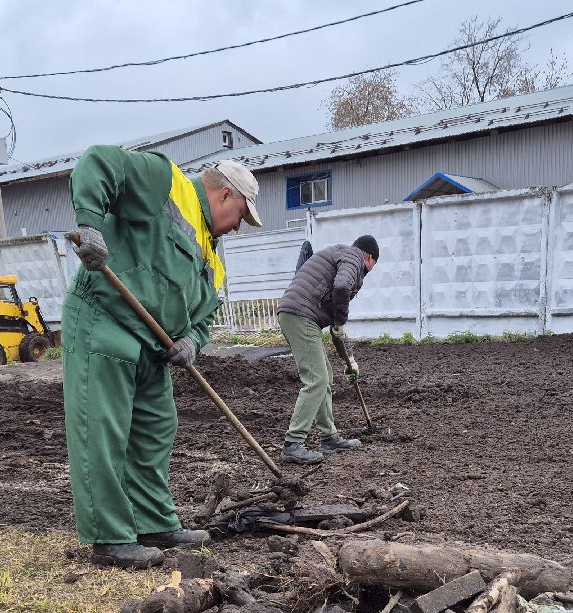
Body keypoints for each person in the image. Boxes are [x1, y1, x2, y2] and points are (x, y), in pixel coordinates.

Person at [64, 148, 260, 569]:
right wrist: (90, 225)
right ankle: (110, 538)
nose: (238, 226)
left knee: (155, 430)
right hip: (107, 320)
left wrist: (192, 341)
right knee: (102, 429)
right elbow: (99, 163)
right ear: (225, 194)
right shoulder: (165, 181)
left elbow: (205, 319)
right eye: (241, 215)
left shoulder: (213, 260)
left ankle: (153, 523)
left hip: (154, 350)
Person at [276, 235, 379, 464]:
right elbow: (342, 289)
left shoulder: (340, 258)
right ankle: (293, 443)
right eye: (374, 265)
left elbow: (336, 328)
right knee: (316, 379)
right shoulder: (353, 257)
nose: (371, 270)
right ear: (370, 257)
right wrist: (341, 321)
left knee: (325, 375)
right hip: (300, 315)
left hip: (300, 315)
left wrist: (350, 360)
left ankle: (329, 437)